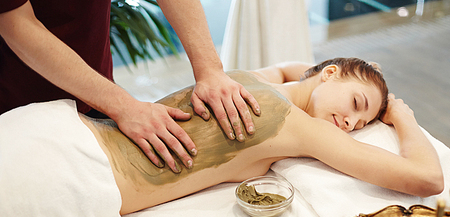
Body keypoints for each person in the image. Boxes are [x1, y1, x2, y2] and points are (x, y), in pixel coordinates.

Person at [73, 57, 443, 214]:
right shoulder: (292, 124)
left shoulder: (243, 79)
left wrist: (334, 74)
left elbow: (288, 70)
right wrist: (403, 117)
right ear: (329, 74)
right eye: (357, 103)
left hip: (73, 129)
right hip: (83, 174)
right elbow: (428, 178)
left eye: (361, 125)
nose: (351, 124)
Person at [0, 0, 260, 171]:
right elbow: (16, 24)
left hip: (94, 93)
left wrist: (210, 69)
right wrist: (123, 106)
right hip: (16, 108)